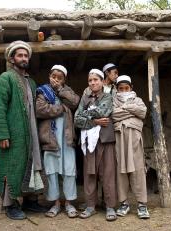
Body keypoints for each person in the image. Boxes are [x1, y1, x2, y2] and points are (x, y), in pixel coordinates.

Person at [0, 40, 45, 220]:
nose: (23, 58)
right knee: (12, 165)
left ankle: (30, 200)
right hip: (13, 132)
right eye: (20, 55)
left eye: (26, 55)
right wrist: (1, 134)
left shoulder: (31, 82)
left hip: (31, 131)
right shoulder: (5, 79)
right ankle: (10, 204)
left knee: (32, 163)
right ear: (12, 58)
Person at [36, 65, 80, 218]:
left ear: (64, 80)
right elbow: (40, 109)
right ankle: (55, 203)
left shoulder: (67, 91)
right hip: (50, 138)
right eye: (54, 76)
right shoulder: (43, 91)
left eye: (59, 78)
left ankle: (69, 203)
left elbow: (75, 102)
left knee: (69, 170)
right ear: (49, 75)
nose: (56, 79)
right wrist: (60, 108)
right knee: (51, 171)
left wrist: (61, 90)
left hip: (66, 138)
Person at [74, 69, 118, 221]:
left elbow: (103, 111)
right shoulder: (84, 98)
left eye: (96, 80)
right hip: (88, 143)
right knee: (89, 174)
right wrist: (95, 122)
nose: (93, 82)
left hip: (105, 140)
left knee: (108, 173)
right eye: (90, 80)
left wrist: (86, 114)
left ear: (102, 81)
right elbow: (76, 119)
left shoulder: (108, 97)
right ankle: (91, 206)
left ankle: (110, 206)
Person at [112, 75, 150, 219]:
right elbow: (114, 115)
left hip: (134, 139)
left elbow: (143, 112)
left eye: (126, 88)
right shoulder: (114, 101)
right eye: (120, 88)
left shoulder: (138, 100)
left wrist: (125, 108)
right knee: (120, 171)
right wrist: (132, 112)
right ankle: (124, 203)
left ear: (131, 88)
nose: (123, 91)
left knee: (138, 169)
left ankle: (142, 205)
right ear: (117, 89)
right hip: (119, 138)